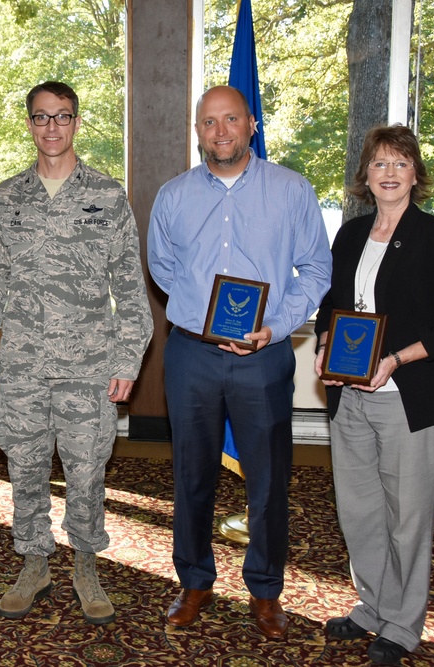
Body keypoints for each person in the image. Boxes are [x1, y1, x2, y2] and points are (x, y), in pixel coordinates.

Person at [147, 85, 332, 638]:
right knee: (190, 474)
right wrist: (203, 318)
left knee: (269, 479)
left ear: (251, 124)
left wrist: (274, 326)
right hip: (192, 356)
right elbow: (162, 267)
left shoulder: (292, 190)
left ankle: (267, 590)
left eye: (231, 120)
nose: (220, 131)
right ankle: (195, 580)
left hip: (264, 356)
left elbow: (316, 271)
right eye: (209, 122)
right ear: (198, 130)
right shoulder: (174, 196)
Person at [0, 81, 153, 624]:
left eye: (63, 117)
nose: (52, 127)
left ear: (77, 122)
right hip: (22, 365)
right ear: (29, 124)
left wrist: (126, 364)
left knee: (87, 470)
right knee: (23, 467)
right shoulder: (5, 198)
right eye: (42, 117)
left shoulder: (107, 196)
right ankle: (34, 562)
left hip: (88, 367)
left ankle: (84, 563)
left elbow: (130, 289)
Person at [314, 125, 434, 665]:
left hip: (410, 399)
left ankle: (404, 626)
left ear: (415, 174)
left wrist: (396, 359)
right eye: (379, 164)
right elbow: (331, 306)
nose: (388, 173)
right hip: (350, 400)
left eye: (400, 164)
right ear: (365, 175)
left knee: (408, 518)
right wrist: (322, 346)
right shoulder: (350, 236)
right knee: (359, 512)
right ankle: (373, 608)